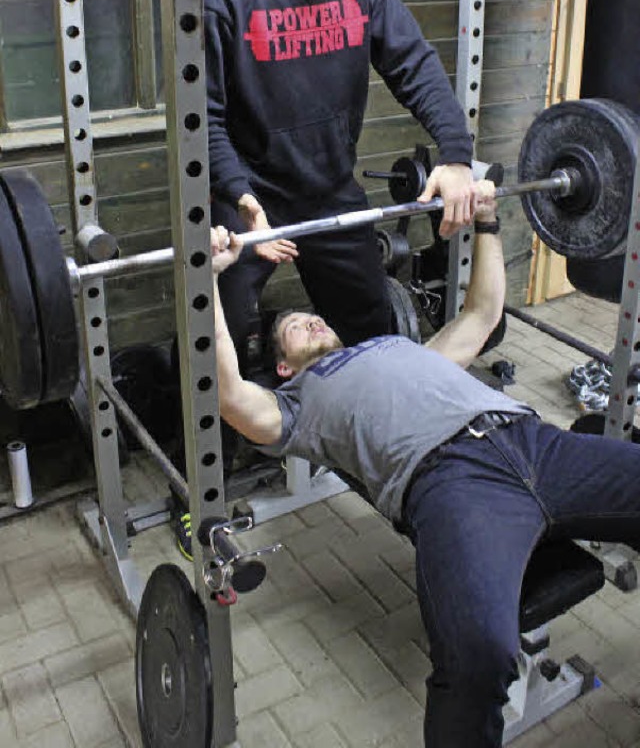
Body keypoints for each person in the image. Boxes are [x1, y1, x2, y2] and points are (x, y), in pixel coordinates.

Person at [207, 191, 640, 748]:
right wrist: (209, 283)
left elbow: (482, 315)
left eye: (310, 314)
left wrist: (486, 221)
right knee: (477, 653)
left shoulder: (398, 347)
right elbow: (229, 395)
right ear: (284, 367)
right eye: (293, 325)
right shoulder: (298, 404)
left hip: (535, 441)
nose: (310, 320)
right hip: (453, 485)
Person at [203, 0, 475, 375]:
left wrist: (457, 154)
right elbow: (204, 118)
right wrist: (240, 196)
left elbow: (413, 65)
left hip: (329, 190)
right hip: (250, 197)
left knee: (373, 331)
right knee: (221, 343)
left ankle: (361, 443)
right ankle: (229, 452)